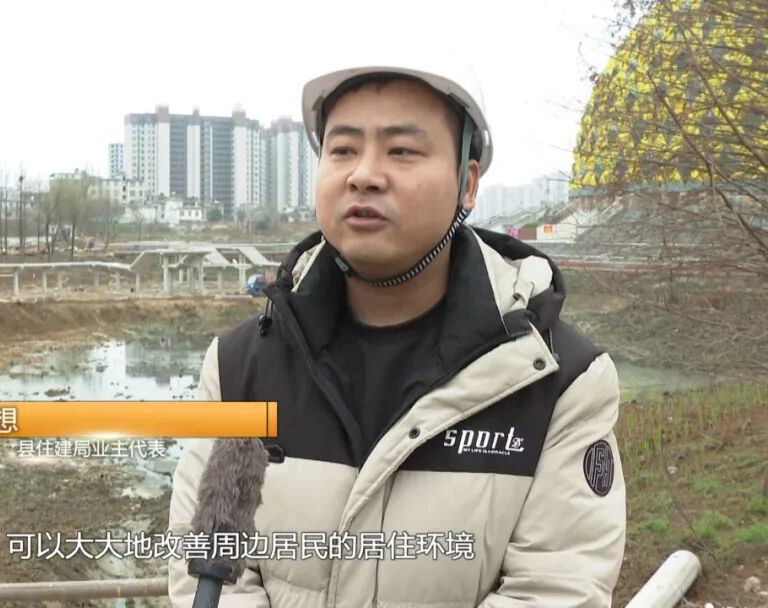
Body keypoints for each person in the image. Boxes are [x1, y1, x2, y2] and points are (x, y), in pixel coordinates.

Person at [167, 60, 626, 607]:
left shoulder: (556, 382)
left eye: (402, 150)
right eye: (343, 149)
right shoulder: (239, 368)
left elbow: (556, 589)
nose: (363, 174)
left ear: (467, 184)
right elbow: (210, 578)